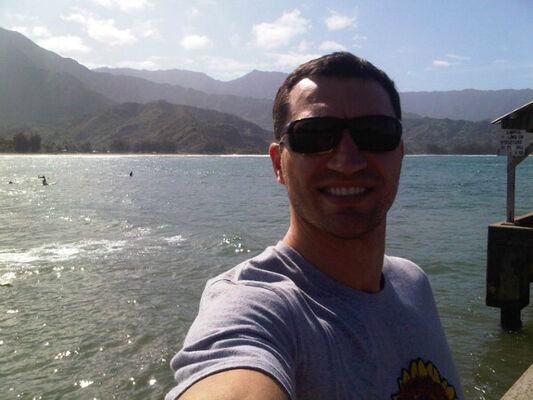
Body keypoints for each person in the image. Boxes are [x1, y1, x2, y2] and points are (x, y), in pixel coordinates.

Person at [166, 52, 463, 400]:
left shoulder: (413, 282)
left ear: (399, 153)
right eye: (315, 135)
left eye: (375, 133)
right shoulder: (257, 306)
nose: (347, 162)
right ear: (278, 164)